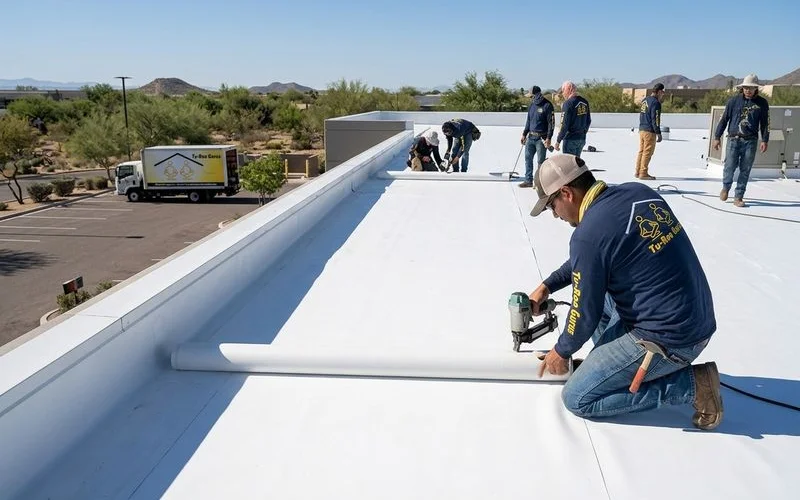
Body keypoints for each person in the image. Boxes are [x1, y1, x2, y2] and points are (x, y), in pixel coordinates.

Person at [528, 153, 722, 430]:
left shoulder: (589, 234)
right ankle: (609, 369)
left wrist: (561, 351)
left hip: (673, 339)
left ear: (567, 193)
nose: (555, 215)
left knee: (578, 398)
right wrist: (548, 285)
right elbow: (594, 257)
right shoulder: (637, 192)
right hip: (695, 317)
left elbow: (584, 313)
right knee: (602, 291)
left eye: (551, 206)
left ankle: (693, 385)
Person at [713, 74, 770, 208]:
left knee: (745, 170)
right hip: (733, 139)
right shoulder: (733, 101)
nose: (748, 90)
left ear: (756, 89)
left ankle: (738, 196)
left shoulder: (762, 103)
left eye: (751, 88)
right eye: (746, 88)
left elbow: (765, 123)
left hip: (750, 141)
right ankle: (726, 187)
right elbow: (724, 119)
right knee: (729, 166)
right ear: (742, 88)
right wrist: (717, 137)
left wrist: (765, 140)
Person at [518, 86, 555, 188]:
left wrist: (549, 137)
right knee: (528, 159)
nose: (531, 98)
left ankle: (540, 184)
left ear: (536, 95)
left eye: (531, 96)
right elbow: (528, 121)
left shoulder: (547, 105)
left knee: (540, 162)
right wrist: (524, 134)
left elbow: (551, 123)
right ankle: (528, 180)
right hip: (530, 137)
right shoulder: (532, 105)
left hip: (541, 139)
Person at [635, 83, 666, 180]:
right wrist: (658, 132)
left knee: (641, 151)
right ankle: (643, 173)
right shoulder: (656, 103)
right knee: (647, 152)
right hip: (649, 131)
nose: (663, 94)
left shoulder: (645, 100)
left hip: (642, 129)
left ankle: (638, 172)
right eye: (663, 92)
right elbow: (655, 119)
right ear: (659, 91)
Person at [555, 81, 591, 157]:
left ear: (568, 90)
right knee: (577, 162)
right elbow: (588, 121)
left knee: (569, 163)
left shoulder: (568, 104)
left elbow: (564, 124)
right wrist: (583, 133)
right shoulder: (584, 102)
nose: (563, 94)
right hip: (581, 139)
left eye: (563, 91)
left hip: (570, 139)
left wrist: (558, 141)